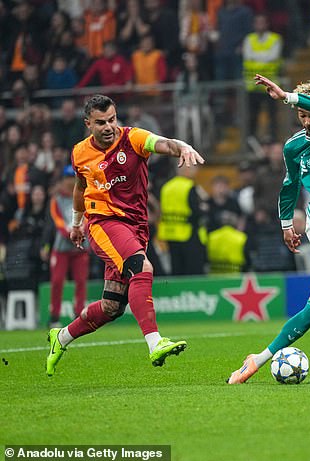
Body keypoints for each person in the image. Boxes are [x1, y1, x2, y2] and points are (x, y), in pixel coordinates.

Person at [45, 94, 205, 377]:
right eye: (101, 122)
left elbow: (164, 144)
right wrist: (77, 223)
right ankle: (155, 343)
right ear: (88, 123)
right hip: (103, 223)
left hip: (136, 227)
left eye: (112, 120)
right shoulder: (80, 152)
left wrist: (182, 146)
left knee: (112, 306)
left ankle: (62, 337)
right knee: (141, 267)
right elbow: (81, 187)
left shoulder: (133, 138)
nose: (108, 127)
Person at [227, 74, 310, 384]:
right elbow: (290, 185)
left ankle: (257, 360)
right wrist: (287, 224)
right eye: (302, 115)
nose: (307, 121)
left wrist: (288, 96)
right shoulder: (294, 147)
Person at [44, 165, 90, 327]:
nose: (71, 181)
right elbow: (57, 221)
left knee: (81, 281)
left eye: (73, 178)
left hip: (80, 246)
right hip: (62, 247)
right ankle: (54, 317)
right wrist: (70, 233)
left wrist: (80, 231)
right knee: (57, 281)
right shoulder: (56, 200)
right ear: (63, 180)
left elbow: (87, 217)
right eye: (68, 178)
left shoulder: (85, 196)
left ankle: (79, 315)